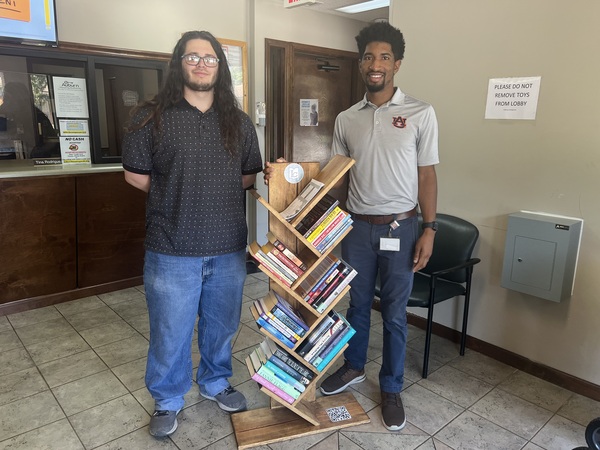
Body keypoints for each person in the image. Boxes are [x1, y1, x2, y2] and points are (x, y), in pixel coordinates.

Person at [264, 21, 439, 431]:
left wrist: (429, 228)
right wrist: (294, 186)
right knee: (357, 305)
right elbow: (337, 177)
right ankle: (353, 366)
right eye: (367, 57)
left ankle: (391, 387)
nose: (374, 64)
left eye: (383, 57)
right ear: (360, 64)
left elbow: (427, 175)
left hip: (401, 227)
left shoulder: (420, 113)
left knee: (395, 314)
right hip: (357, 229)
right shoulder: (346, 118)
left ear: (396, 64)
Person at [122, 30, 263, 438]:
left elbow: (248, 174)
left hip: (229, 248)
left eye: (210, 58)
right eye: (193, 57)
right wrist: (179, 190)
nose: (202, 64)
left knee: (221, 326)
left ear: (220, 67)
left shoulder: (237, 121)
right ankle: (167, 399)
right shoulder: (150, 117)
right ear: (179, 64)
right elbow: (134, 174)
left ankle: (216, 381)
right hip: (172, 247)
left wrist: (209, 189)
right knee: (171, 329)